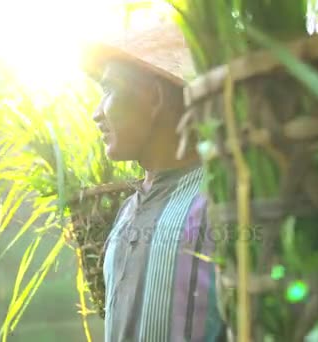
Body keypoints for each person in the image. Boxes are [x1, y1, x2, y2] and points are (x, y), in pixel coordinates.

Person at [81, 18, 227, 342]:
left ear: (155, 97)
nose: (97, 112)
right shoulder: (129, 209)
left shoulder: (220, 199)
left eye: (109, 89)